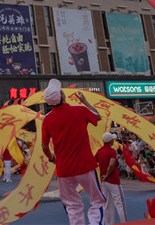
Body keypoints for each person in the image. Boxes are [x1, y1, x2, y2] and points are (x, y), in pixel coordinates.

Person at [40, 79, 106, 225]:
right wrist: (85, 101)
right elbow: (98, 116)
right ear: (63, 97)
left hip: (64, 169)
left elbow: (44, 146)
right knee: (97, 201)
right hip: (85, 166)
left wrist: (52, 159)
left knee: (72, 205)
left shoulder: (47, 119)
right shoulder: (79, 110)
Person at [95, 132, 126, 224]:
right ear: (110, 141)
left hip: (103, 181)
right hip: (113, 180)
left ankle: (108, 223)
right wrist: (107, 175)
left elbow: (93, 161)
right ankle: (124, 222)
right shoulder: (112, 151)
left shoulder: (99, 151)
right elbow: (112, 164)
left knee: (107, 204)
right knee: (120, 204)